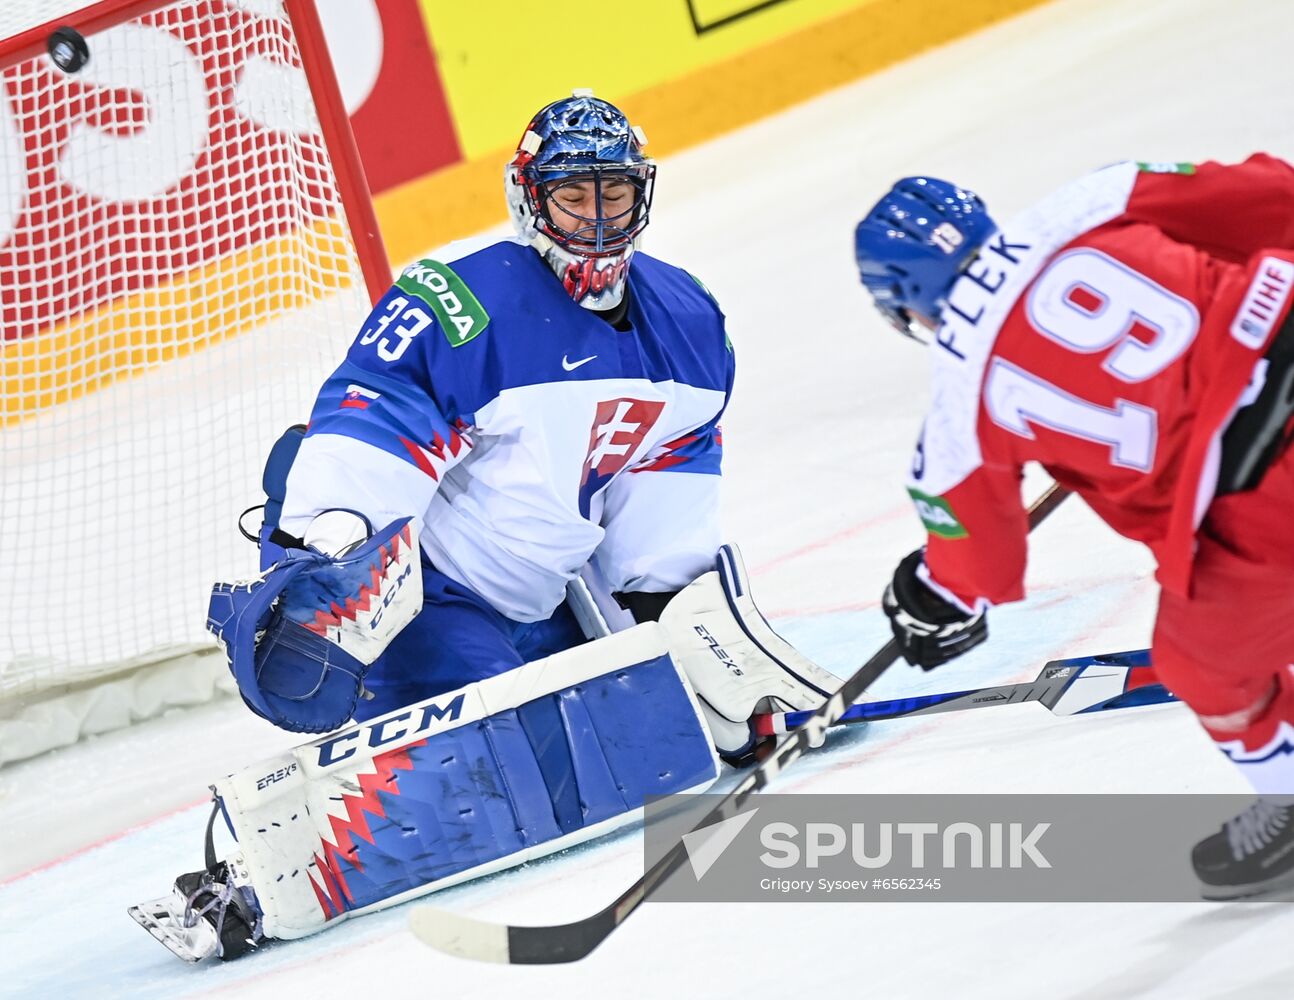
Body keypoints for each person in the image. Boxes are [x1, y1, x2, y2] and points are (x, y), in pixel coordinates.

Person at [853, 156, 1294, 900]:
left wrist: (930, 594)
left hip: (1259, 499)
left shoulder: (961, 392)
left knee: (1203, 666)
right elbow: (1269, 195)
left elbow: (978, 564)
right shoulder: (1088, 201)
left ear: (906, 304)